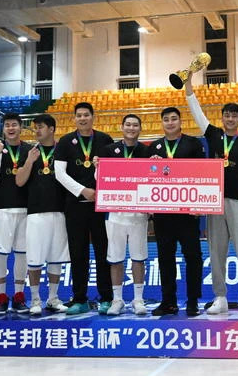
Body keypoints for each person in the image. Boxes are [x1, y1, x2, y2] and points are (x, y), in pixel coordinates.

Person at [186, 73, 238, 315]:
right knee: (216, 252)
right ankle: (220, 297)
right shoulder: (213, 135)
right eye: (227, 115)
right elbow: (196, 112)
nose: (230, 119)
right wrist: (188, 87)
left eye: (234, 116)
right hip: (214, 202)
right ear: (222, 118)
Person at [54, 102, 115, 315]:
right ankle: (80, 299)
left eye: (86, 115)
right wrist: (83, 191)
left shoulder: (105, 140)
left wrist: (98, 191)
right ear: (74, 118)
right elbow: (60, 174)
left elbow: (113, 171)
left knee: (103, 252)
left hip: (101, 206)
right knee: (78, 253)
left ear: (93, 117)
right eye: (78, 115)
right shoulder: (64, 142)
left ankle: (106, 298)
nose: (82, 118)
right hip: (75, 205)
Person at [148, 106, 206, 316]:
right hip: (163, 213)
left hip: (187, 212)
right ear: (162, 123)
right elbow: (147, 178)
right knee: (165, 257)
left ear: (180, 121)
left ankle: (193, 301)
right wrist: (151, 166)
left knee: (193, 256)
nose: (170, 122)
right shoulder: (153, 147)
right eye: (166, 119)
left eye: (174, 119)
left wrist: (199, 205)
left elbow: (202, 174)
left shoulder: (194, 144)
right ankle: (168, 301)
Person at [100, 114, 154, 315]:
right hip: (114, 214)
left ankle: (138, 299)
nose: (131, 128)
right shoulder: (108, 150)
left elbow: (154, 178)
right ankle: (117, 300)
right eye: (128, 125)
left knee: (138, 258)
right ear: (121, 127)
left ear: (140, 128)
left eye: (135, 125)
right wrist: (98, 167)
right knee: (115, 258)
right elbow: (100, 178)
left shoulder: (147, 151)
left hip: (139, 214)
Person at [15, 114, 69, 315]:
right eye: (35, 127)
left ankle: (53, 298)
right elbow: (19, 181)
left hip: (60, 211)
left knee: (56, 257)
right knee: (35, 258)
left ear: (52, 129)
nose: (37, 130)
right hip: (36, 213)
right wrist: (29, 161)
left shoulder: (63, 150)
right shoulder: (29, 152)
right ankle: (35, 299)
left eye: (41, 127)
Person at [0, 113, 32, 316]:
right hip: (3, 208)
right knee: (0, 254)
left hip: (26, 208)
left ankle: (19, 296)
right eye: (7, 125)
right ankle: (1, 297)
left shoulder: (29, 150)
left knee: (22, 254)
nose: (11, 128)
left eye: (14, 124)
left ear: (20, 127)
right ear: (3, 128)